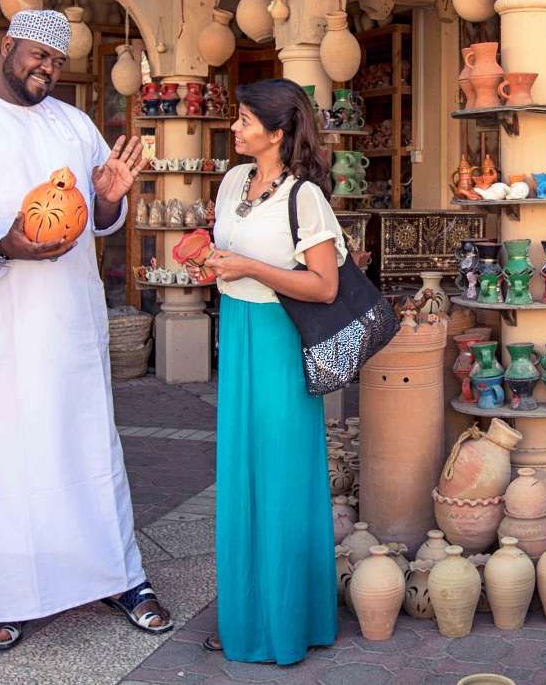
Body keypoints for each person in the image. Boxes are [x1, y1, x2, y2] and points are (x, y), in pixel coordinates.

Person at [0, 9, 170, 651]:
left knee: (83, 450)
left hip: (66, 323)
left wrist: (109, 196)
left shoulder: (74, 123)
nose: (47, 68)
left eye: (57, 62)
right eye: (37, 56)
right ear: (8, 47)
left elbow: (102, 211)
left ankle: (115, 575)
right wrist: (3, 246)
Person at [199, 78, 342, 663]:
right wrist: (212, 263)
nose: (234, 127)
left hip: (281, 341)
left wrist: (251, 267)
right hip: (236, 331)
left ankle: (285, 624)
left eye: (244, 120)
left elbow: (325, 286)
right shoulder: (233, 182)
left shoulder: (304, 196)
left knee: (282, 477)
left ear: (278, 132)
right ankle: (244, 618)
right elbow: (227, 254)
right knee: (240, 473)